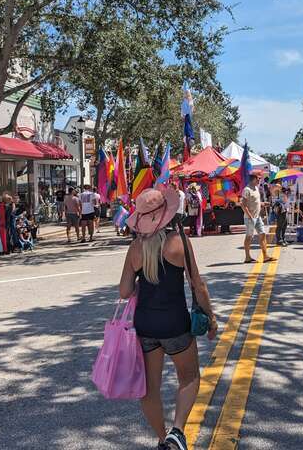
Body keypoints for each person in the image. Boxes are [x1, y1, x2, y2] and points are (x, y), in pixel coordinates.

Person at [119, 186, 218, 450]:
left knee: (149, 388)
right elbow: (198, 284)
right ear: (165, 214)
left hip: (146, 326)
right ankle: (177, 431)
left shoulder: (135, 248)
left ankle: (163, 439)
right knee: (189, 378)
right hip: (175, 324)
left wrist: (142, 284)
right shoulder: (178, 241)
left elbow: (124, 291)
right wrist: (211, 317)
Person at [241, 173, 276, 264]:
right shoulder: (247, 190)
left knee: (263, 234)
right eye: (258, 179)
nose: (260, 180)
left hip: (257, 217)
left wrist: (263, 203)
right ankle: (247, 257)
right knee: (249, 237)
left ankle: (265, 256)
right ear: (254, 179)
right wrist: (250, 216)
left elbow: (255, 201)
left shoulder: (256, 188)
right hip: (250, 218)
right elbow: (243, 205)